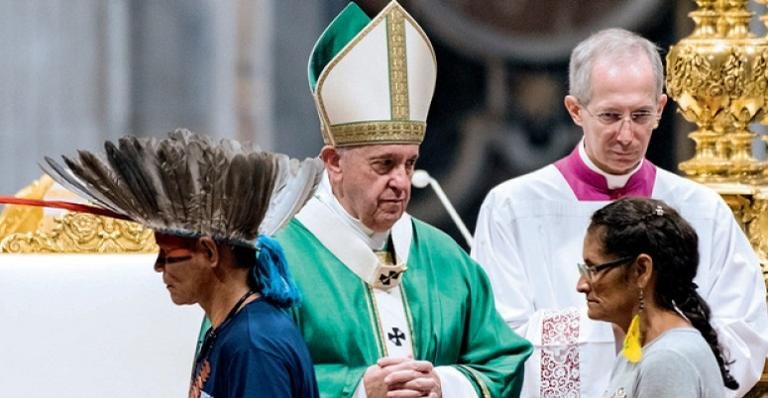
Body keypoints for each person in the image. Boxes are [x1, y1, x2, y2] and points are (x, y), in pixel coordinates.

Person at [471, 28, 768, 397]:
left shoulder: (702, 209)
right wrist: (628, 323)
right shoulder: (512, 207)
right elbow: (498, 341)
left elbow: (745, 336)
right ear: (575, 110)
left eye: (641, 115)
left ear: (660, 109)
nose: (627, 135)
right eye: (610, 116)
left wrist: (662, 352)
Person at [275, 2, 532, 397]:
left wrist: (445, 384)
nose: (401, 182)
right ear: (334, 162)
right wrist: (358, 390)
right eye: (384, 164)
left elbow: (504, 361)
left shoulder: (446, 259)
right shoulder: (278, 262)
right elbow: (250, 372)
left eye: (410, 164)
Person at [37, 129, 323, 398]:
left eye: (167, 254)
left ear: (209, 252)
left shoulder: (254, 345)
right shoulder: (232, 331)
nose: (159, 267)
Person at [579, 197, 735, 397]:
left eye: (593, 269)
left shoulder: (668, 359)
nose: (581, 285)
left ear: (641, 270)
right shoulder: (641, 347)